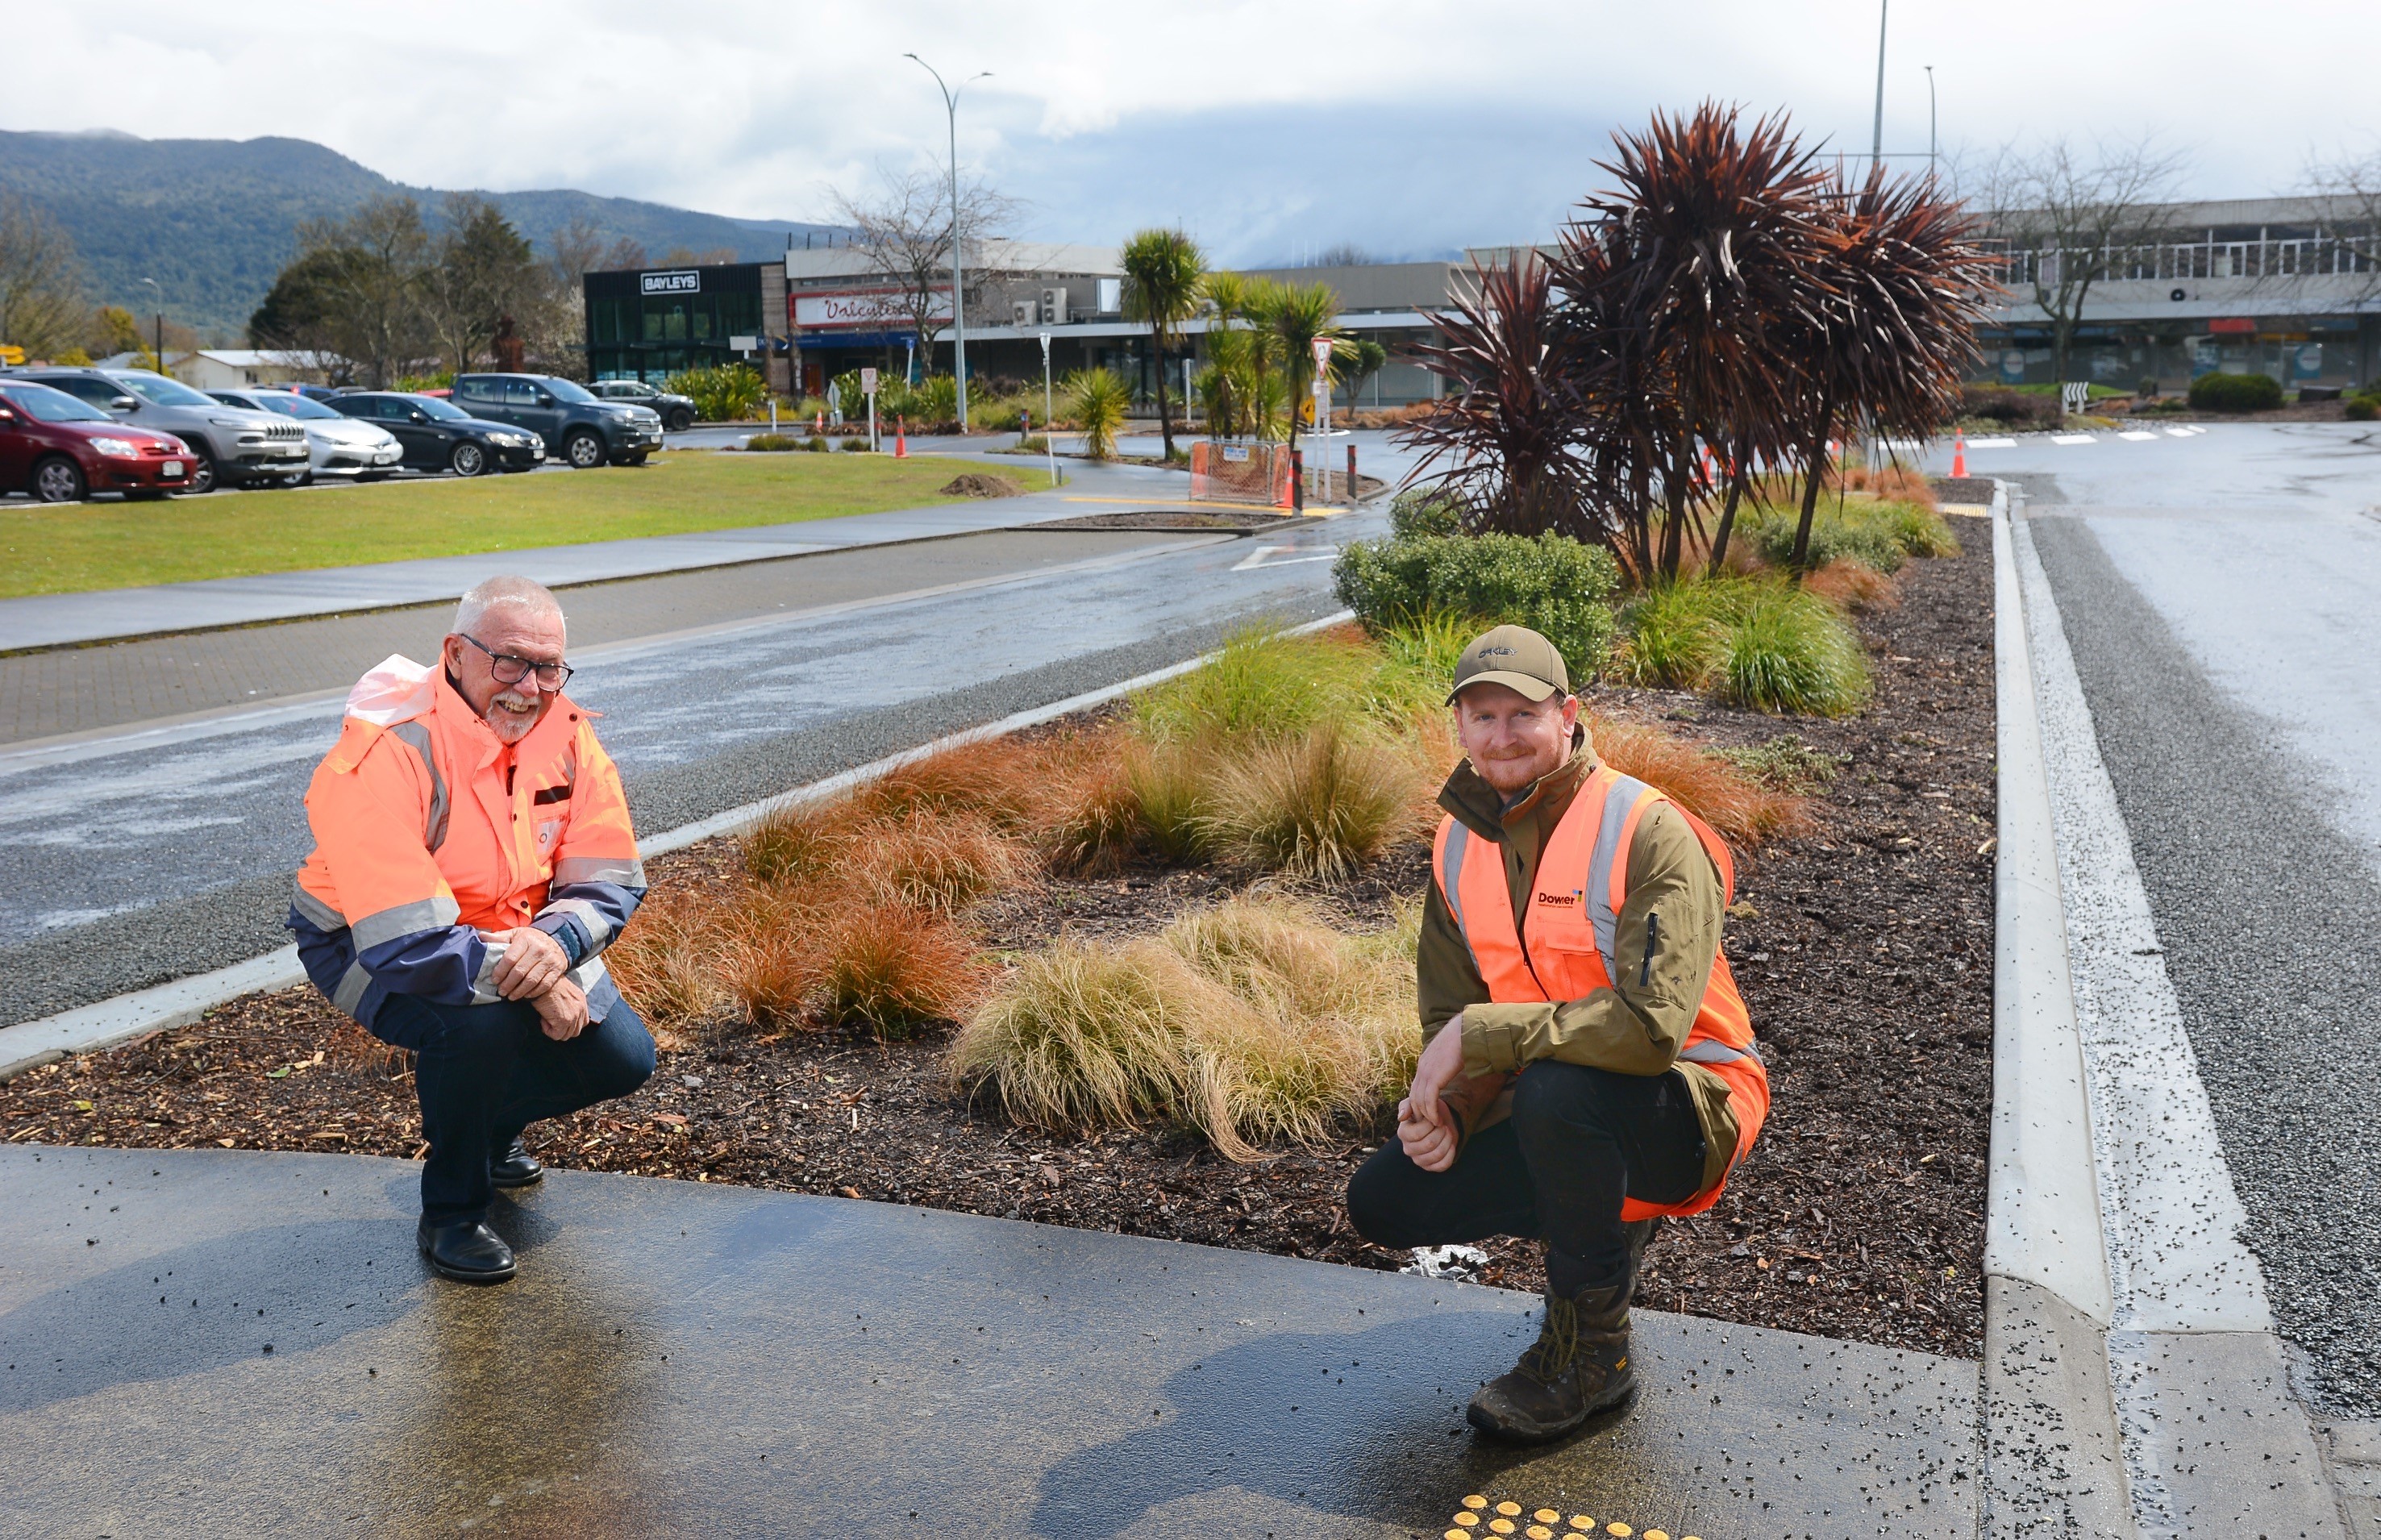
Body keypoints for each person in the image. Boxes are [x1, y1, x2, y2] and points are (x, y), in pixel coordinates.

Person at [1346, 624, 1767, 1443]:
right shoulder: (1456, 841)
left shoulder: (1646, 828)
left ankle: (1590, 1358)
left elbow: (1648, 1032)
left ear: (1568, 715)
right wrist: (1455, 1109)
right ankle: (1597, 1214)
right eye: (1481, 716)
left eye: (1521, 714)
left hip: (1692, 1099)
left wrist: (1483, 1037)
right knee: (1385, 1197)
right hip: (1561, 1101)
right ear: (1459, 728)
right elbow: (1453, 1013)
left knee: (1557, 1091)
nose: (1501, 735)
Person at [289, 576, 655, 1284]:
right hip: (364, 941)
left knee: (623, 1059)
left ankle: (487, 1128)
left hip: (516, 936)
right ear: (455, 654)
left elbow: (608, 875)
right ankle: (453, 1212)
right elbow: (408, 942)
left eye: (549, 666)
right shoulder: (389, 750)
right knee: (476, 1030)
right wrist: (538, 982)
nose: (531, 686)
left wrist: (552, 947)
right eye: (510, 660)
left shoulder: (570, 737)